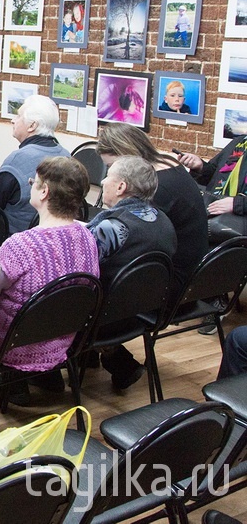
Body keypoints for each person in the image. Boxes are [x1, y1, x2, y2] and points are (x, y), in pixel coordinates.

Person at [0, 156, 100, 403]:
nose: (32, 185)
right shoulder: (88, 237)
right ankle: (43, 376)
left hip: (11, 345)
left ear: (44, 191)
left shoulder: (21, 245)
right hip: (62, 339)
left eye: (34, 182)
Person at [86, 156, 177, 390]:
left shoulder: (113, 226)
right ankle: (117, 362)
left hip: (101, 315)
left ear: (121, 186)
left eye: (108, 176)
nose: (104, 180)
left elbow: (78, 265)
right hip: (140, 311)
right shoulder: (164, 221)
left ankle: (40, 375)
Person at [96, 123, 207, 295]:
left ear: (126, 156)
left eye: (112, 166)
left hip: (172, 279)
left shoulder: (155, 187)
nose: (111, 173)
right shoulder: (168, 163)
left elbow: (130, 241)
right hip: (189, 268)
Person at [0, 94, 70, 234]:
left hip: (14, 240)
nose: (12, 120)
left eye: (18, 116)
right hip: (55, 237)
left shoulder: (17, 159)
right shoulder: (67, 156)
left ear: (32, 125)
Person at [177, 134, 247, 237]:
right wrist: (200, 167)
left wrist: (237, 204)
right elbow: (215, 175)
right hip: (216, 223)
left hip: (240, 231)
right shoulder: (241, 142)